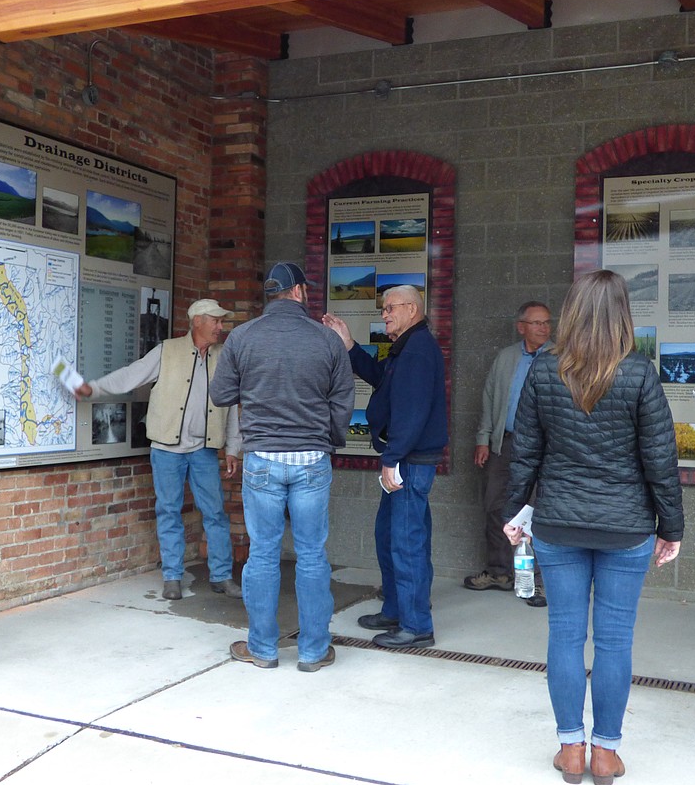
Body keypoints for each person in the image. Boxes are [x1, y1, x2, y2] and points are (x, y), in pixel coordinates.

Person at [502, 270, 682, 785]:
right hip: (626, 528)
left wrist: (516, 513)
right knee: (614, 643)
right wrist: (672, 526)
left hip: (558, 522)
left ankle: (570, 749)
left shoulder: (543, 371)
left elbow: (525, 454)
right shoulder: (640, 373)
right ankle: (606, 753)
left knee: (563, 637)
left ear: (573, 311)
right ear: (623, 313)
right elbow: (660, 461)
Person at [210, 262, 354, 672]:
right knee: (311, 555)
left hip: (262, 461)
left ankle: (263, 649)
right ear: (299, 291)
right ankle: (312, 651)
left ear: (272, 293)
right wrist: (329, 440)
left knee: (263, 554)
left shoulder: (242, 336)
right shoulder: (325, 339)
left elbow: (221, 395)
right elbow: (344, 399)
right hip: (311, 458)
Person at [75, 299, 242, 601]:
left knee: (215, 513)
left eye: (221, 321)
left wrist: (233, 447)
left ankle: (222, 576)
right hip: (166, 448)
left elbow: (232, 406)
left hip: (204, 449)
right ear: (198, 322)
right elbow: (132, 374)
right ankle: (172, 577)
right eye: (216, 321)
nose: (221, 326)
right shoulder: (167, 351)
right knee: (168, 511)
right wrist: (94, 388)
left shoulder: (224, 357)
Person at [323, 285, 448, 649]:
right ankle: (396, 609)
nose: (384, 314)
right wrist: (348, 344)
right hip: (405, 458)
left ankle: (416, 625)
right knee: (390, 536)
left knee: (406, 542)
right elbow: (381, 378)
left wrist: (391, 459)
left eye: (390, 308)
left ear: (412, 308)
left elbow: (411, 412)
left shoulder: (417, 351)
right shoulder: (408, 346)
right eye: (383, 309)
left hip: (408, 461)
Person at [466, 301, 553, 606]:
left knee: (542, 510)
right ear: (521, 327)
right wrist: (483, 439)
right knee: (495, 504)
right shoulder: (506, 358)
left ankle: (540, 582)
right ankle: (499, 571)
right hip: (506, 442)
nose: (544, 328)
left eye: (546, 323)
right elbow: (490, 399)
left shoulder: (559, 358)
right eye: (537, 323)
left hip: (546, 447)